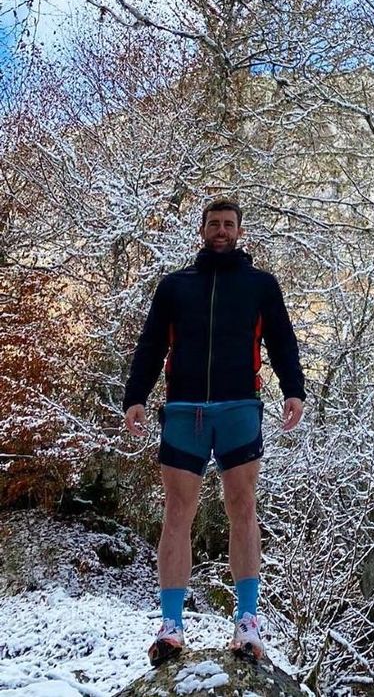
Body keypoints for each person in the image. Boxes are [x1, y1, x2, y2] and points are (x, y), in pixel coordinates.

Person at [122, 198, 305, 666]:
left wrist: (294, 390)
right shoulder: (174, 287)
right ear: (202, 230)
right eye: (214, 224)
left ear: (239, 232)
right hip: (183, 409)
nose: (221, 230)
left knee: (242, 507)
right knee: (177, 512)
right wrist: (136, 397)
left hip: (240, 406)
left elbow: (282, 339)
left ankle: (247, 623)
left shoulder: (261, 285)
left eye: (228, 224)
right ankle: (171, 626)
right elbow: (150, 343)